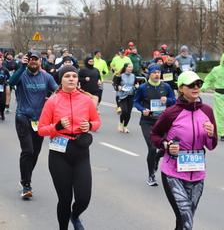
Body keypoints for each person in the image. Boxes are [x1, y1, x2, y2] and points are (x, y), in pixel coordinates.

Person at [150, 71, 217, 230]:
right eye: (191, 85)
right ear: (181, 88)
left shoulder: (207, 111)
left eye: (198, 84)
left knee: (184, 221)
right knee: (186, 218)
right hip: (174, 174)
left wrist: (210, 133)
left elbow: (211, 145)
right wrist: (166, 145)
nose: (196, 88)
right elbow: (155, 134)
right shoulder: (172, 112)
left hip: (197, 175)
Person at [38, 65, 101, 230]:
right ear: (61, 79)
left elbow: (97, 122)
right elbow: (41, 129)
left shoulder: (86, 100)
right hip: (59, 154)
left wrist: (90, 125)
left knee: (83, 198)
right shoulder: (53, 101)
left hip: (80, 151)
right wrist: (56, 127)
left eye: (74, 75)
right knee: (65, 199)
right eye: (67, 76)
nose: (71, 78)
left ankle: (75, 215)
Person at [9, 51, 58, 199]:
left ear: (40, 62)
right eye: (30, 59)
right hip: (23, 117)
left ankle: (25, 178)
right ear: (27, 61)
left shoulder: (47, 77)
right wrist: (21, 67)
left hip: (41, 120)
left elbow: (57, 90)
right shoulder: (21, 74)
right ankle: (26, 184)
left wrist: (59, 95)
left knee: (35, 153)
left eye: (36, 60)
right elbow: (11, 83)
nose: (33, 62)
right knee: (28, 151)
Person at [134, 64, 176, 186]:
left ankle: (158, 157)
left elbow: (174, 100)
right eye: (154, 72)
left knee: (167, 147)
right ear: (150, 74)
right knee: (152, 148)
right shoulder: (143, 87)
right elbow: (136, 102)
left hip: (163, 121)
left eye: (158, 72)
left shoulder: (166, 86)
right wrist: (142, 110)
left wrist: (167, 100)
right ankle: (151, 175)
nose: (157, 74)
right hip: (147, 121)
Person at [115, 63, 137, 133]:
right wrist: (118, 87)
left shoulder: (133, 76)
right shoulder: (121, 76)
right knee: (124, 111)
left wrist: (137, 86)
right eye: (129, 67)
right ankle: (121, 123)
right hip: (122, 96)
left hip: (131, 95)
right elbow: (115, 84)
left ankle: (125, 127)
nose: (131, 68)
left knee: (129, 113)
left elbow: (136, 84)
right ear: (125, 68)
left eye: (131, 67)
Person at [111, 48, 133, 114]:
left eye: (123, 52)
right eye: (121, 52)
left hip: (126, 76)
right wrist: (115, 69)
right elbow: (112, 65)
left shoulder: (127, 59)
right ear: (119, 52)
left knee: (124, 91)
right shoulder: (115, 58)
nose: (122, 54)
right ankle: (119, 106)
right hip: (117, 76)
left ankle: (124, 105)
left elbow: (131, 65)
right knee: (118, 91)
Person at [0, 55, 10, 120]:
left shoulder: (5, 69)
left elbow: (8, 77)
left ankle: (2, 112)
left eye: (0, 60)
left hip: (2, 86)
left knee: (2, 101)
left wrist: (6, 82)